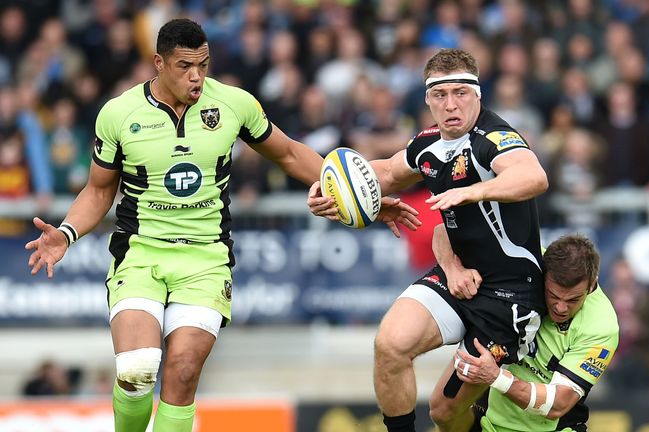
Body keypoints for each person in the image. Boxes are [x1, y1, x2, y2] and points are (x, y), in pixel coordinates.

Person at [25, 18, 418, 432]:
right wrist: (66, 232)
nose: (196, 76)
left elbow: (286, 153)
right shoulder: (119, 114)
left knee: (182, 371)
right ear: (158, 63)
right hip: (141, 252)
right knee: (138, 371)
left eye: (204, 65)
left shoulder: (233, 104)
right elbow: (99, 190)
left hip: (206, 258)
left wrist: (358, 194)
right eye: (184, 66)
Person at [309, 48, 549, 432]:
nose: (451, 105)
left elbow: (533, 176)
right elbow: (385, 172)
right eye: (440, 95)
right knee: (389, 346)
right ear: (427, 100)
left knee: (443, 411)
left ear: (478, 95)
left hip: (509, 296)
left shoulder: (494, 137)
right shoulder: (428, 143)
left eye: (461, 93)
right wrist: (329, 187)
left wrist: (473, 192)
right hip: (456, 278)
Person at [450, 232, 619, 432]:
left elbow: (558, 403)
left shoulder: (601, 326)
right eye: (553, 295)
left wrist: (496, 377)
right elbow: (442, 232)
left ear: (591, 285)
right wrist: (452, 269)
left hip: (555, 428)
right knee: (441, 412)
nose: (561, 308)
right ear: (541, 274)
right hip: (489, 420)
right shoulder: (524, 262)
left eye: (573, 300)